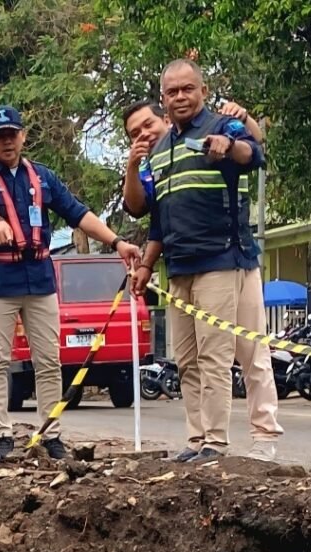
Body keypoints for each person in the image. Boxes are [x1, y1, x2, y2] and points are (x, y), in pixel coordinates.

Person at [0, 105, 142, 461]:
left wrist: (117, 242)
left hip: (40, 280)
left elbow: (78, 212)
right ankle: (1, 435)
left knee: (48, 360)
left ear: (23, 136)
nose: (7, 142)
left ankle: (50, 433)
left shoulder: (42, 177)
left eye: (13, 135)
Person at [128, 60, 283, 463]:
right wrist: (146, 266)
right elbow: (156, 217)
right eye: (172, 92)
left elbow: (254, 154)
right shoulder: (160, 151)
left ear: (203, 91)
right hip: (179, 268)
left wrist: (229, 147)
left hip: (223, 259)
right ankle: (197, 440)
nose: (180, 97)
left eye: (188, 89)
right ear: (163, 98)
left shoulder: (223, 125)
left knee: (226, 355)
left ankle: (225, 441)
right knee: (188, 361)